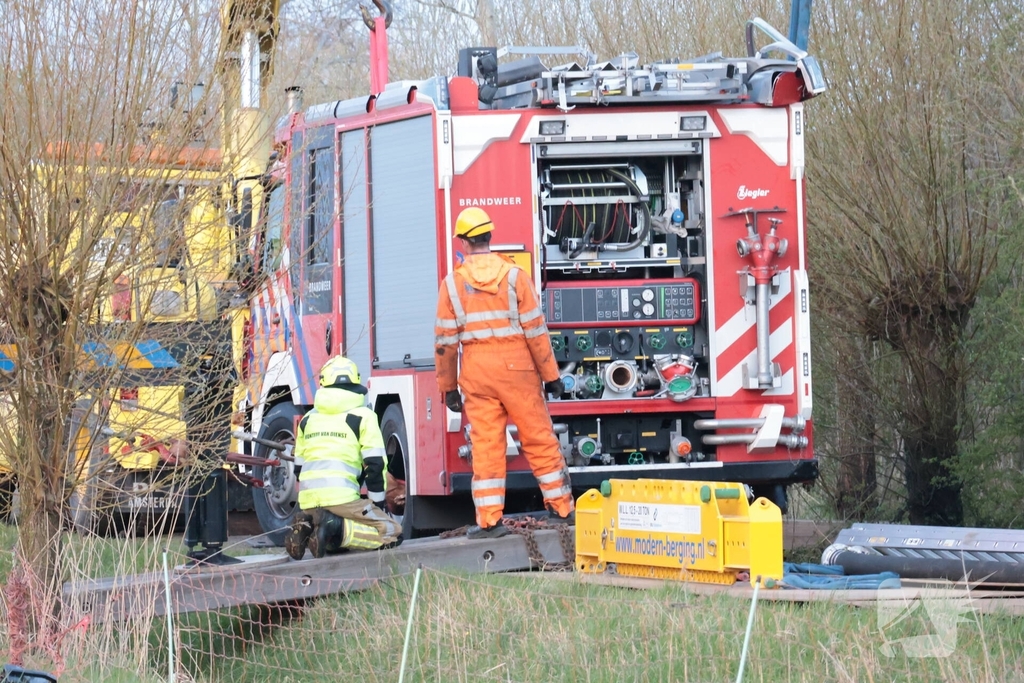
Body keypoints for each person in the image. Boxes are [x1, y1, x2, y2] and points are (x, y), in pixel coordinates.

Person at [434, 207, 574, 539]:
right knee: (538, 437)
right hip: (519, 367)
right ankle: (562, 510)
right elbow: (536, 332)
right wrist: (551, 375)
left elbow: (445, 342)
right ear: (489, 237)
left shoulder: (452, 284)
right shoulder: (514, 277)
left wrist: (448, 387)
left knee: (486, 445)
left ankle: (488, 521)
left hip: (477, 371)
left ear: (464, 242)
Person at [285, 356, 402, 559]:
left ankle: (310, 526)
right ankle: (336, 529)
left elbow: (298, 469)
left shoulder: (308, 419)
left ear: (323, 383)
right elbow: (374, 466)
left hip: (308, 501)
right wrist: (378, 504)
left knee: (328, 538)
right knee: (392, 533)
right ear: (356, 381)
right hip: (343, 499)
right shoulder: (363, 416)